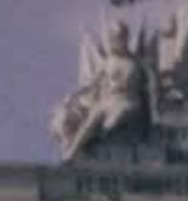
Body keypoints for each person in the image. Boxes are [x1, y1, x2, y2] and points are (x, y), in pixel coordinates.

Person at [54, 19, 153, 161]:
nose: (115, 41)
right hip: (108, 101)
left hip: (128, 101)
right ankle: (72, 152)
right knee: (91, 121)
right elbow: (92, 84)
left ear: (125, 38)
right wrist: (73, 96)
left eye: (118, 37)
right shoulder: (108, 62)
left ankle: (96, 143)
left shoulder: (136, 63)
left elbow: (150, 87)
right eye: (113, 37)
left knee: (113, 121)